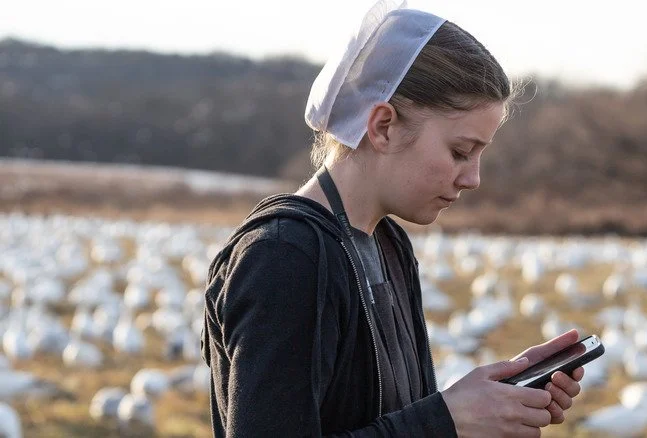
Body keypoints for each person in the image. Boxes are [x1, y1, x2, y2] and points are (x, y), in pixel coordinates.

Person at [201, 1, 585, 436]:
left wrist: (486, 408)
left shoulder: (388, 244)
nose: (474, 178)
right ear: (383, 126)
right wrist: (446, 419)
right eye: (460, 151)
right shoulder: (283, 257)